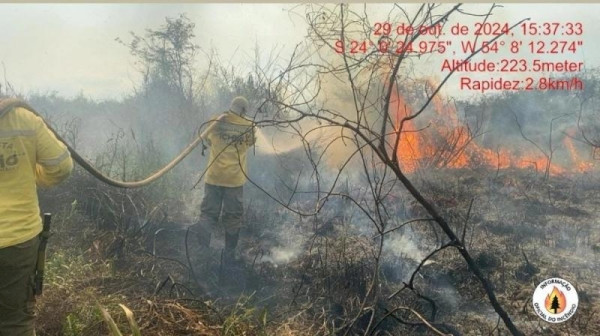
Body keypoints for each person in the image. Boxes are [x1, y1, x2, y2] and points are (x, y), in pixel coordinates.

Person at [0, 98, 73, 335]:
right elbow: (61, 166)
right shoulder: (23, 118)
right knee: (14, 323)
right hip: (17, 242)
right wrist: (33, 177)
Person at [194, 96, 255, 263]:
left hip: (213, 177)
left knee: (207, 214)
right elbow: (250, 143)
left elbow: (206, 139)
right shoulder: (249, 126)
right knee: (233, 217)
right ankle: (229, 255)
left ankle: (202, 252)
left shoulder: (215, 122)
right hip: (234, 180)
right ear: (243, 111)